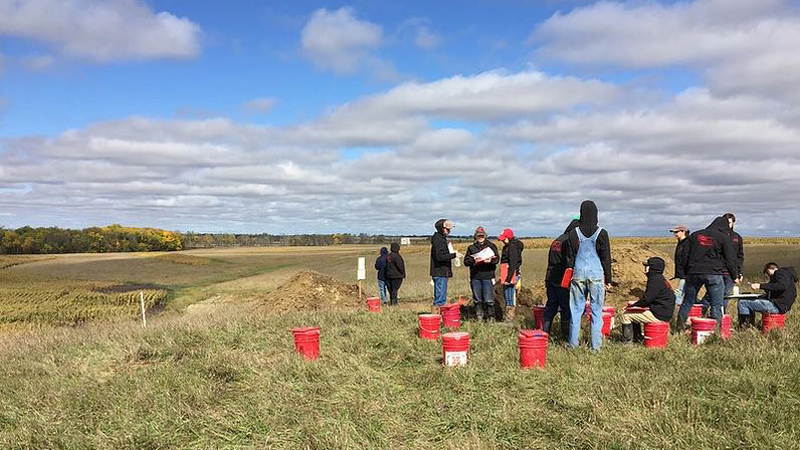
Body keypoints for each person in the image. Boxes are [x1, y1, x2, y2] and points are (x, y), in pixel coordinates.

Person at [564, 200, 612, 351]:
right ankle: (595, 347)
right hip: (596, 275)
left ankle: (572, 345)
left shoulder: (573, 233)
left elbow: (569, 258)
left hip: (578, 274)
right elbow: (606, 258)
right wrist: (608, 279)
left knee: (576, 310)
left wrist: (570, 273)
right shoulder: (602, 233)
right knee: (596, 311)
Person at [675, 216, 737, 331]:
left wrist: (686, 272)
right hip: (714, 274)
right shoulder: (723, 237)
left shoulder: (695, 235)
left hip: (694, 273)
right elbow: (730, 260)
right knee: (716, 304)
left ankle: (678, 329)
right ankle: (715, 332)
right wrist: (734, 276)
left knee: (687, 301)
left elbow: (684, 254)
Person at [620, 257, 676, 344]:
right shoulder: (661, 278)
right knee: (634, 313)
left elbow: (647, 300)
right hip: (663, 312)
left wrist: (631, 306)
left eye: (647, 266)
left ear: (651, 268)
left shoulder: (654, 280)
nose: (645, 268)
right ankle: (637, 338)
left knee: (626, 315)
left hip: (659, 315)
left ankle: (627, 342)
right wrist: (635, 306)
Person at [543, 218, 580, 340]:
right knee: (566, 308)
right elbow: (569, 262)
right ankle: (565, 337)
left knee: (551, 307)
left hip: (550, 278)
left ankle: (544, 334)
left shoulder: (557, 240)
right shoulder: (569, 241)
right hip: (563, 279)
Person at [739, 263, 797, 328]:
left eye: (767, 274)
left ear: (769, 270)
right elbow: (776, 289)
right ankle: (750, 325)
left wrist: (760, 286)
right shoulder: (786, 276)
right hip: (782, 306)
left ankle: (745, 327)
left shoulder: (780, 272)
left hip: (777, 306)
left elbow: (781, 286)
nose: (769, 277)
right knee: (749, 302)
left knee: (743, 302)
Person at [464, 227, 498, 322]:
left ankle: (491, 317)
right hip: (475, 276)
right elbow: (466, 261)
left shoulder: (491, 246)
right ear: (475, 236)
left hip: (488, 275)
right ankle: (479, 317)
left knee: (489, 299)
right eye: (478, 236)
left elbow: (496, 259)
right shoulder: (471, 248)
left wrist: (490, 261)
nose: (480, 237)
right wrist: (473, 260)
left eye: (482, 235)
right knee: (477, 299)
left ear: (485, 236)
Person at [430, 219, 458, 314]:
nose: (449, 231)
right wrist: (454, 255)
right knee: (440, 299)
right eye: (447, 229)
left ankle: (439, 318)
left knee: (441, 297)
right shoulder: (439, 240)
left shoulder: (440, 239)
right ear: (442, 228)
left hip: (442, 272)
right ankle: (437, 318)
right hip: (440, 271)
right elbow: (439, 257)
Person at [498, 228, 524, 321]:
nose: (502, 241)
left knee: (509, 296)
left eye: (503, 239)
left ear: (508, 237)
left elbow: (513, 263)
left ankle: (509, 318)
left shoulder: (512, 247)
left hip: (511, 274)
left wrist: (508, 279)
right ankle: (508, 317)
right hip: (508, 274)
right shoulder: (509, 246)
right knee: (507, 296)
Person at [670, 225, 690, 308]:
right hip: (682, 273)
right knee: (684, 292)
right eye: (674, 232)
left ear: (683, 232)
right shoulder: (680, 243)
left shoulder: (688, 243)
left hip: (686, 273)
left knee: (679, 292)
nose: (675, 234)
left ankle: (675, 310)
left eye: (677, 232)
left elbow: (687, 258)